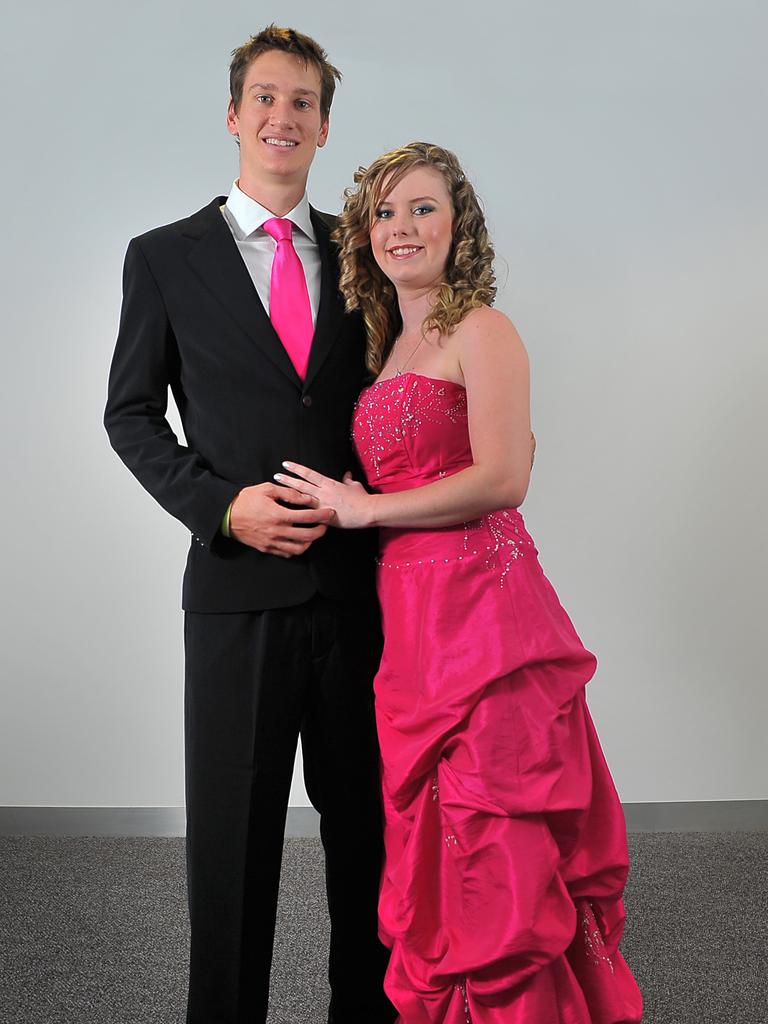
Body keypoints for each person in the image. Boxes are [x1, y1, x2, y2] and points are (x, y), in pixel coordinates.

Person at [280, 142, 644, 1024]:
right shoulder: (390, 342)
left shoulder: (483, 328)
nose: (402, 227)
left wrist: (365, 510)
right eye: (386, 212)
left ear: (458, 225)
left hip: (486, 616)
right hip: (411, 617)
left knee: (497, 833)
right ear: (367, 234)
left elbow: (504, 478)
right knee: (434, 840)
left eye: (423, 208)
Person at [103, 26, 395, 1024]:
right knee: (232, 851)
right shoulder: (163, 259)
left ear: (323, 124)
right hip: (235, 596)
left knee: (372, 844)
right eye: (265, 97)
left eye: (303, 101)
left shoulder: (368, 258)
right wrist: (222, 504)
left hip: (362, 597)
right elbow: (130, 413)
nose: (284, 115)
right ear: (234, 115)